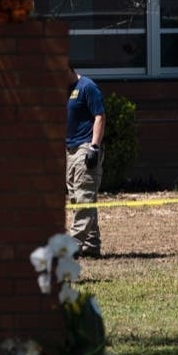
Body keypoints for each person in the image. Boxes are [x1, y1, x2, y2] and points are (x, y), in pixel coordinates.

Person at [66, 65, 106, 258]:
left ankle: (72, 245)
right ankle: (91, 244)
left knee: (84, 196)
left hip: (85, 147)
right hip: (70, 149)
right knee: (77, 197)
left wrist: (94, 147)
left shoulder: (87, 86)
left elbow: (100, 116)